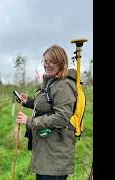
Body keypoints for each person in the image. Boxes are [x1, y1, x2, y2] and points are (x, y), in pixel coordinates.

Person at [15, 45, 77, 180]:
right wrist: (29, 102)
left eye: (51, 61)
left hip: (56, 153)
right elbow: (49, 106)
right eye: (45, 61)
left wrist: (30, 122)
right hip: (46, 150)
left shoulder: (64, 85)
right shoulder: (52, 82)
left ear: (61, 63)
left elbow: (62, 117)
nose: (47, 65)